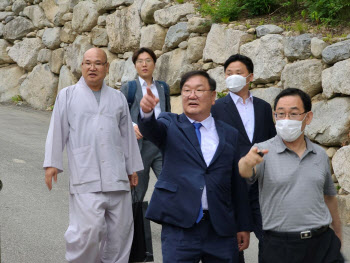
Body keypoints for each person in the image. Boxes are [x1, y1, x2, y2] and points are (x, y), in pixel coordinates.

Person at [138, 70, 252, 263]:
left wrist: (243, 225)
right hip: (180, 226)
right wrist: (146, 112)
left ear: (213, 96)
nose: (192, 95)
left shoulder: (229, 134)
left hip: (220, 228)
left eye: (199, 90)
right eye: (187, 90)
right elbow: (151, 129)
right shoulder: (169, 123)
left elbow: (236, 182)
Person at [43, 47, 143, 263]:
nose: (92, 67)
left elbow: (126, 136)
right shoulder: (67, 95)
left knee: (120, 233)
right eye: (88, 63)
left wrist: (131, 167)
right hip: (85, 175)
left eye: (98, 63)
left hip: (117, 176)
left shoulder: (117, 98)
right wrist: (52, 163)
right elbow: (57, 130)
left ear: (106, 68)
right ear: (82, 67)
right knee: (86, 232)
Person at [239, 88, 344, 263]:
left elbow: (329, 196)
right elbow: (245, 171)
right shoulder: (261, 150)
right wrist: (246, 162)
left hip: (323, 243)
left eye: (293, 113)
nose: (286, 120)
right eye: (280, 114)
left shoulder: (319, 154)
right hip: (280, 246)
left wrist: (338, 232)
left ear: (308, 117)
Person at [211, 54, 276, 263]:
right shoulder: (216, 108)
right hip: (230, 185)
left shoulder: (264, 108)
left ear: (250, 77)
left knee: (269, 239)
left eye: (238, 73)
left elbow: (272, 142)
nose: (232, 77)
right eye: (228, 73)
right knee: (232, 244)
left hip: (261, 185)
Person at [121, 47, 171, 202]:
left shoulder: (163, 87)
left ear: (154, 64)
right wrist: (132, 125)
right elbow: (119, 116)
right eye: (140, 61)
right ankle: (135, 225)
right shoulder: (129, 88)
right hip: (138, 147)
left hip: (160, 145)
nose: (144, 64)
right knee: (137, 191)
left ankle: (170, 223)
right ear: (135, 65)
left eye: (148, 60)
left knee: (170, 184)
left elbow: (167, 113)